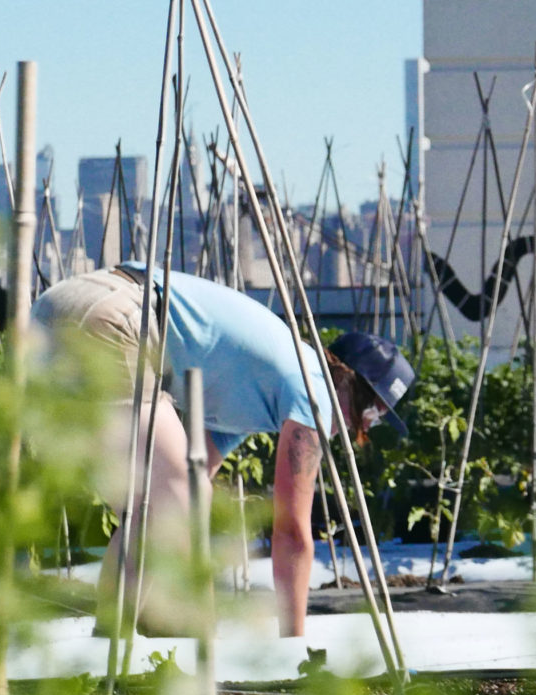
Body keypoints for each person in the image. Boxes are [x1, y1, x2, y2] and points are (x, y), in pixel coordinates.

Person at [33, 264, 415, 637]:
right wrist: (293, 645)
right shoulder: (314, 388)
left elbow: (195, 480)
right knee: (167, 507)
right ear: (345, 377)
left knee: (159, 504)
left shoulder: (257, 388)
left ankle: (140, 635)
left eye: (377, 420)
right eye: (369, 410)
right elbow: (292, 533)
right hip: (118, 315)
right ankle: (111, 653)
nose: (360, 426)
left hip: (58, 309)